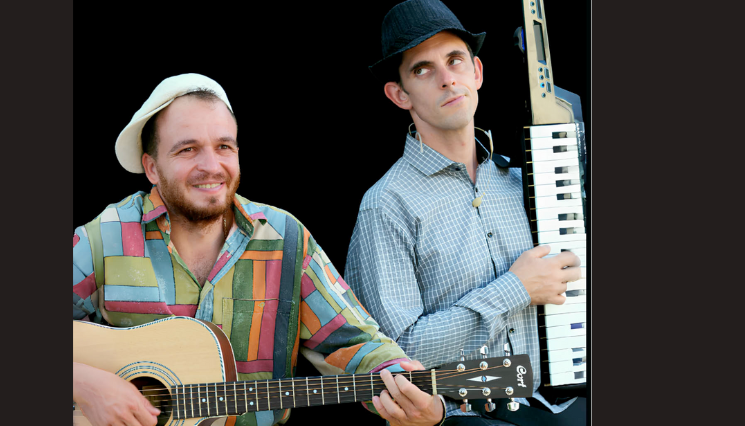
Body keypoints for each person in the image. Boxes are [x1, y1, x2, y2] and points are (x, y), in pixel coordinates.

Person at [72, 73, 447, 426]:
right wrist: (85, 384)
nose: (211, 166)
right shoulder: (105, 237)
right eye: (188, 149)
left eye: (224, 147)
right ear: (152, 168)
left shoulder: (284, 238)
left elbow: (354, 341)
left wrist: (414, 391)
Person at [344, 1, 585, 425]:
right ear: (399, 94)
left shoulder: (521, 183)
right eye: (422, 69)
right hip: (459, 419)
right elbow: (394, 355)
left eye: (454, 60)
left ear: (476, 72)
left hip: (558, 407)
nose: (446, 78)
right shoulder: (386, 205)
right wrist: (515, 289)